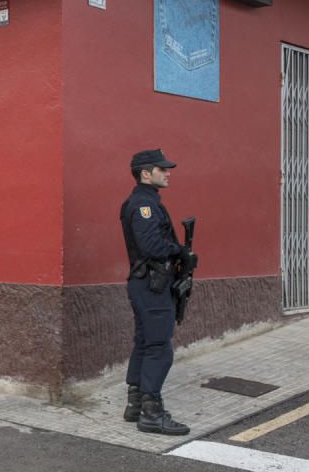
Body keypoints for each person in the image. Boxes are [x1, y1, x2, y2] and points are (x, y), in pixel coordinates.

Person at [120, 149, 195, 436]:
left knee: (144, 342)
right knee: (159, 347)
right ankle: (151, 413)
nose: (167, 173)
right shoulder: (143, 205)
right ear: (145, 173)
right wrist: (181, 251)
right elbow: (152, 246)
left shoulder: (146, 201)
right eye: (161, 169)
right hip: (152, 284)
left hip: (147, 283)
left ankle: (136, 404)